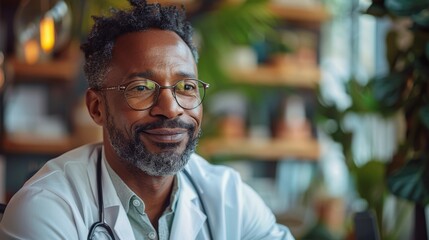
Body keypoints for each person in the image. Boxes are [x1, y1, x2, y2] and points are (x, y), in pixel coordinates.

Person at [0, 0, 295, 239]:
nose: (170, 108)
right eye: (141, 88)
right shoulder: (46, 208)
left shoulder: (229, 197)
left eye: (186, 87)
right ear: (97, 108)